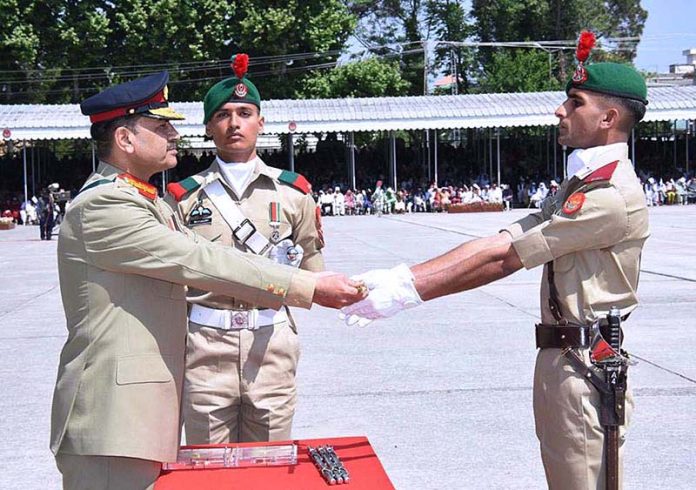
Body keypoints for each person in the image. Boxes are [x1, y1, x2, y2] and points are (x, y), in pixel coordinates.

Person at [342, 34, 649, 490]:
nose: (559, 111)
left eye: (574, 102)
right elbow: (503, 237)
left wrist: (408, 293)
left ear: (608, 117)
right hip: (562, 357)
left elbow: (506, 259)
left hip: (586, 362)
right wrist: (404, 275)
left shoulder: (611, 196)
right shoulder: (583, 183)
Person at [50, 71, 364, 490]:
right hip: (114, 418)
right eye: (161, 126)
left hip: (136, 414)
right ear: (125, 139)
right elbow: (201, 260)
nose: (173, 134)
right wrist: (309, 287)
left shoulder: (141, 199)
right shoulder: (108, 204)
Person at [166, 54, 326, 445]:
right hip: (204, 347)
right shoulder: (181, 199)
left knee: (270, 465)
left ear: (261, 122)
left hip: (270, 345)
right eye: (222, 115)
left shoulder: (294, 193)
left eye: (244, 112)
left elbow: (313, 271)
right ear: (208, 127)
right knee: (208, 469)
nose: (234, 123)